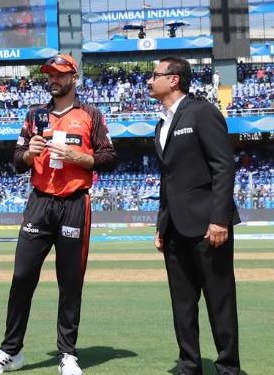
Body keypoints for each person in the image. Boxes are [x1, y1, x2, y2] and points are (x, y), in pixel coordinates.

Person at [0, 54, 116, 375]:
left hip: (74, 203)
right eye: (49, 74)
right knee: (22, 276)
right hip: (39, 202)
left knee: (70, 282)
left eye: (59, 74)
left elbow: (109, 157)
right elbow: (16, 160)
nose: (53, 79)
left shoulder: (90, 115)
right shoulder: (35, 115)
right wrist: (30, 153)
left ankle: (67, 354)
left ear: (73, 77)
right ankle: (10, 352)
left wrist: (77, 156)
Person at [149, 57, 240, 375]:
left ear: (174, 80)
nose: (149, 80)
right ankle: (189, 365)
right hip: (174, 229)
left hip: (208, 226)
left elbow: (223, 167)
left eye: (155, 75)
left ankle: (227, 367)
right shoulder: (161, 123)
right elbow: (168, 179)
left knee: (220, 302)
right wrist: (161, 226)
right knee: (182, 305)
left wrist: (220, 219)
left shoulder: (202, 112)